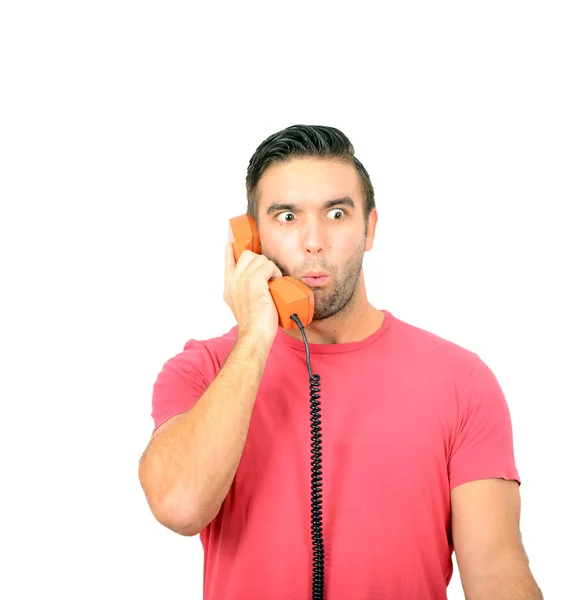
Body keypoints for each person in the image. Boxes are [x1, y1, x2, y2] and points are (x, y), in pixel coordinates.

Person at [138, 125, 543, 599]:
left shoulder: (462, 381)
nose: (313, 242)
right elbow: (180, 506)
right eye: (287, 216)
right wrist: (255, 337)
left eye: (336, 213)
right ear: (250, 240)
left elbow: (495, 570)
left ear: (370, 228)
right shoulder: (202, 370)